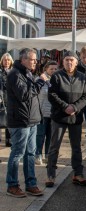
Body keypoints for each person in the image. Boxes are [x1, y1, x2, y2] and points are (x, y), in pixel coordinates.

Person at [6, 48, 48, 198]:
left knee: (30, 154)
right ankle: (12, 185)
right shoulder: (15, 74)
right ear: (23, 60)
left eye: (35, 60)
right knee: (17, 153)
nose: (35, 62)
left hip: (32, 120)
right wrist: (41, 82)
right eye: (32, 59)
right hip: (20, 121)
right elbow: (24, 95)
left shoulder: (27, 73)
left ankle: (30, 184)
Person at [45, 51, 86, 187]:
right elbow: (52, 95)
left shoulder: (82, 77)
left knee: (76, 147)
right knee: (54, 147)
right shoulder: (56, 76)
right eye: (66, 60)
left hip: (75, 118)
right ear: (62, 62)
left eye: (72, 60)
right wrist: (65, 107)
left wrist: (74, 107)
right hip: (59, 117)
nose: (69, 62)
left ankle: (78, 174)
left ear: (76, 62)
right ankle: (50, 175)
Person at [35, 61, 58, 165]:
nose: (53, 70)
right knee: (40, 135)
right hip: (42, 112)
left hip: (53, 113)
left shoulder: (58, 80)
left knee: (50, 135)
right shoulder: (39, 79)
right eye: (51, 68)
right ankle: (38, 154)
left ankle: (48, 155)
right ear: (46, 69)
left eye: (55, 69)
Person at [0, 53, 14, 147]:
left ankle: (9, 141)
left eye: (8, 60)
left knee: (9, 121)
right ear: (2, 61)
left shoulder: (13, 72)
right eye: (5, 60)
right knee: (1, 120)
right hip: (1, 100)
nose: (7, 62)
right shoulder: (0, 72)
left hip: (10, 100)